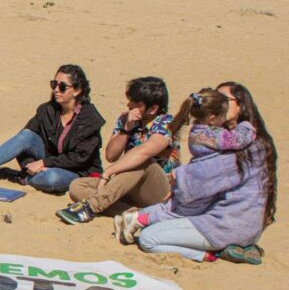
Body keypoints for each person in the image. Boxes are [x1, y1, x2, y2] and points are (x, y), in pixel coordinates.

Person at [119, 82, 277, 264]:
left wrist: (181, 175)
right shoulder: (222, 138)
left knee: (148, 238)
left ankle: (212, 255)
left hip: (229, 223)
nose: (219, 103)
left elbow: (200, 181)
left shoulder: (248, 146)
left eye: (224, 100)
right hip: (216, 215)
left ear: (240, 105)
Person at [0, 64, 104, 193]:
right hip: (48, 162)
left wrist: (45, 163)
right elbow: (22, 142)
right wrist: (31, 165)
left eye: (62, 86)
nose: (56, 89)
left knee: (51, 178)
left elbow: (78, 158)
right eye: (54, 84)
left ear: (77, 90)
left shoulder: (89, 118)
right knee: (26, 135)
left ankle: (23, 178)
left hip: (77, 171)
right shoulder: (47, 110)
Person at [58, 76, 180, 224]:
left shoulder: (167, 122)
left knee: (141, 160)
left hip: (159, 189)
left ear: (153, 108)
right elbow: (111, 155)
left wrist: (108, 172)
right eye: (130, 100)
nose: (129, 105)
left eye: (136, 104)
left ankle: (91, 207)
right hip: (126, 185)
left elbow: (145, 152)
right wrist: (126, 130)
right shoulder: (125, 119)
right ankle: (134, 213)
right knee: (77, 186)